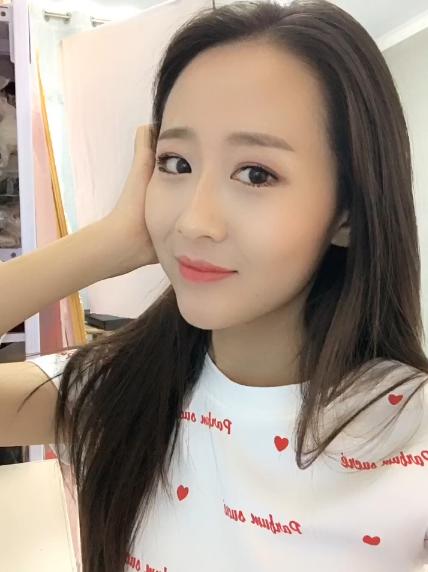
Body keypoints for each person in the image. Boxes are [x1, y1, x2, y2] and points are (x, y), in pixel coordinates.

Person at [1, 1, 428, 571]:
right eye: (176, 163)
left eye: (256, 173)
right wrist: (106, 242)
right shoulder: (119, 390)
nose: (194, 220)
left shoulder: (411, 434)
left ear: (347, 212)